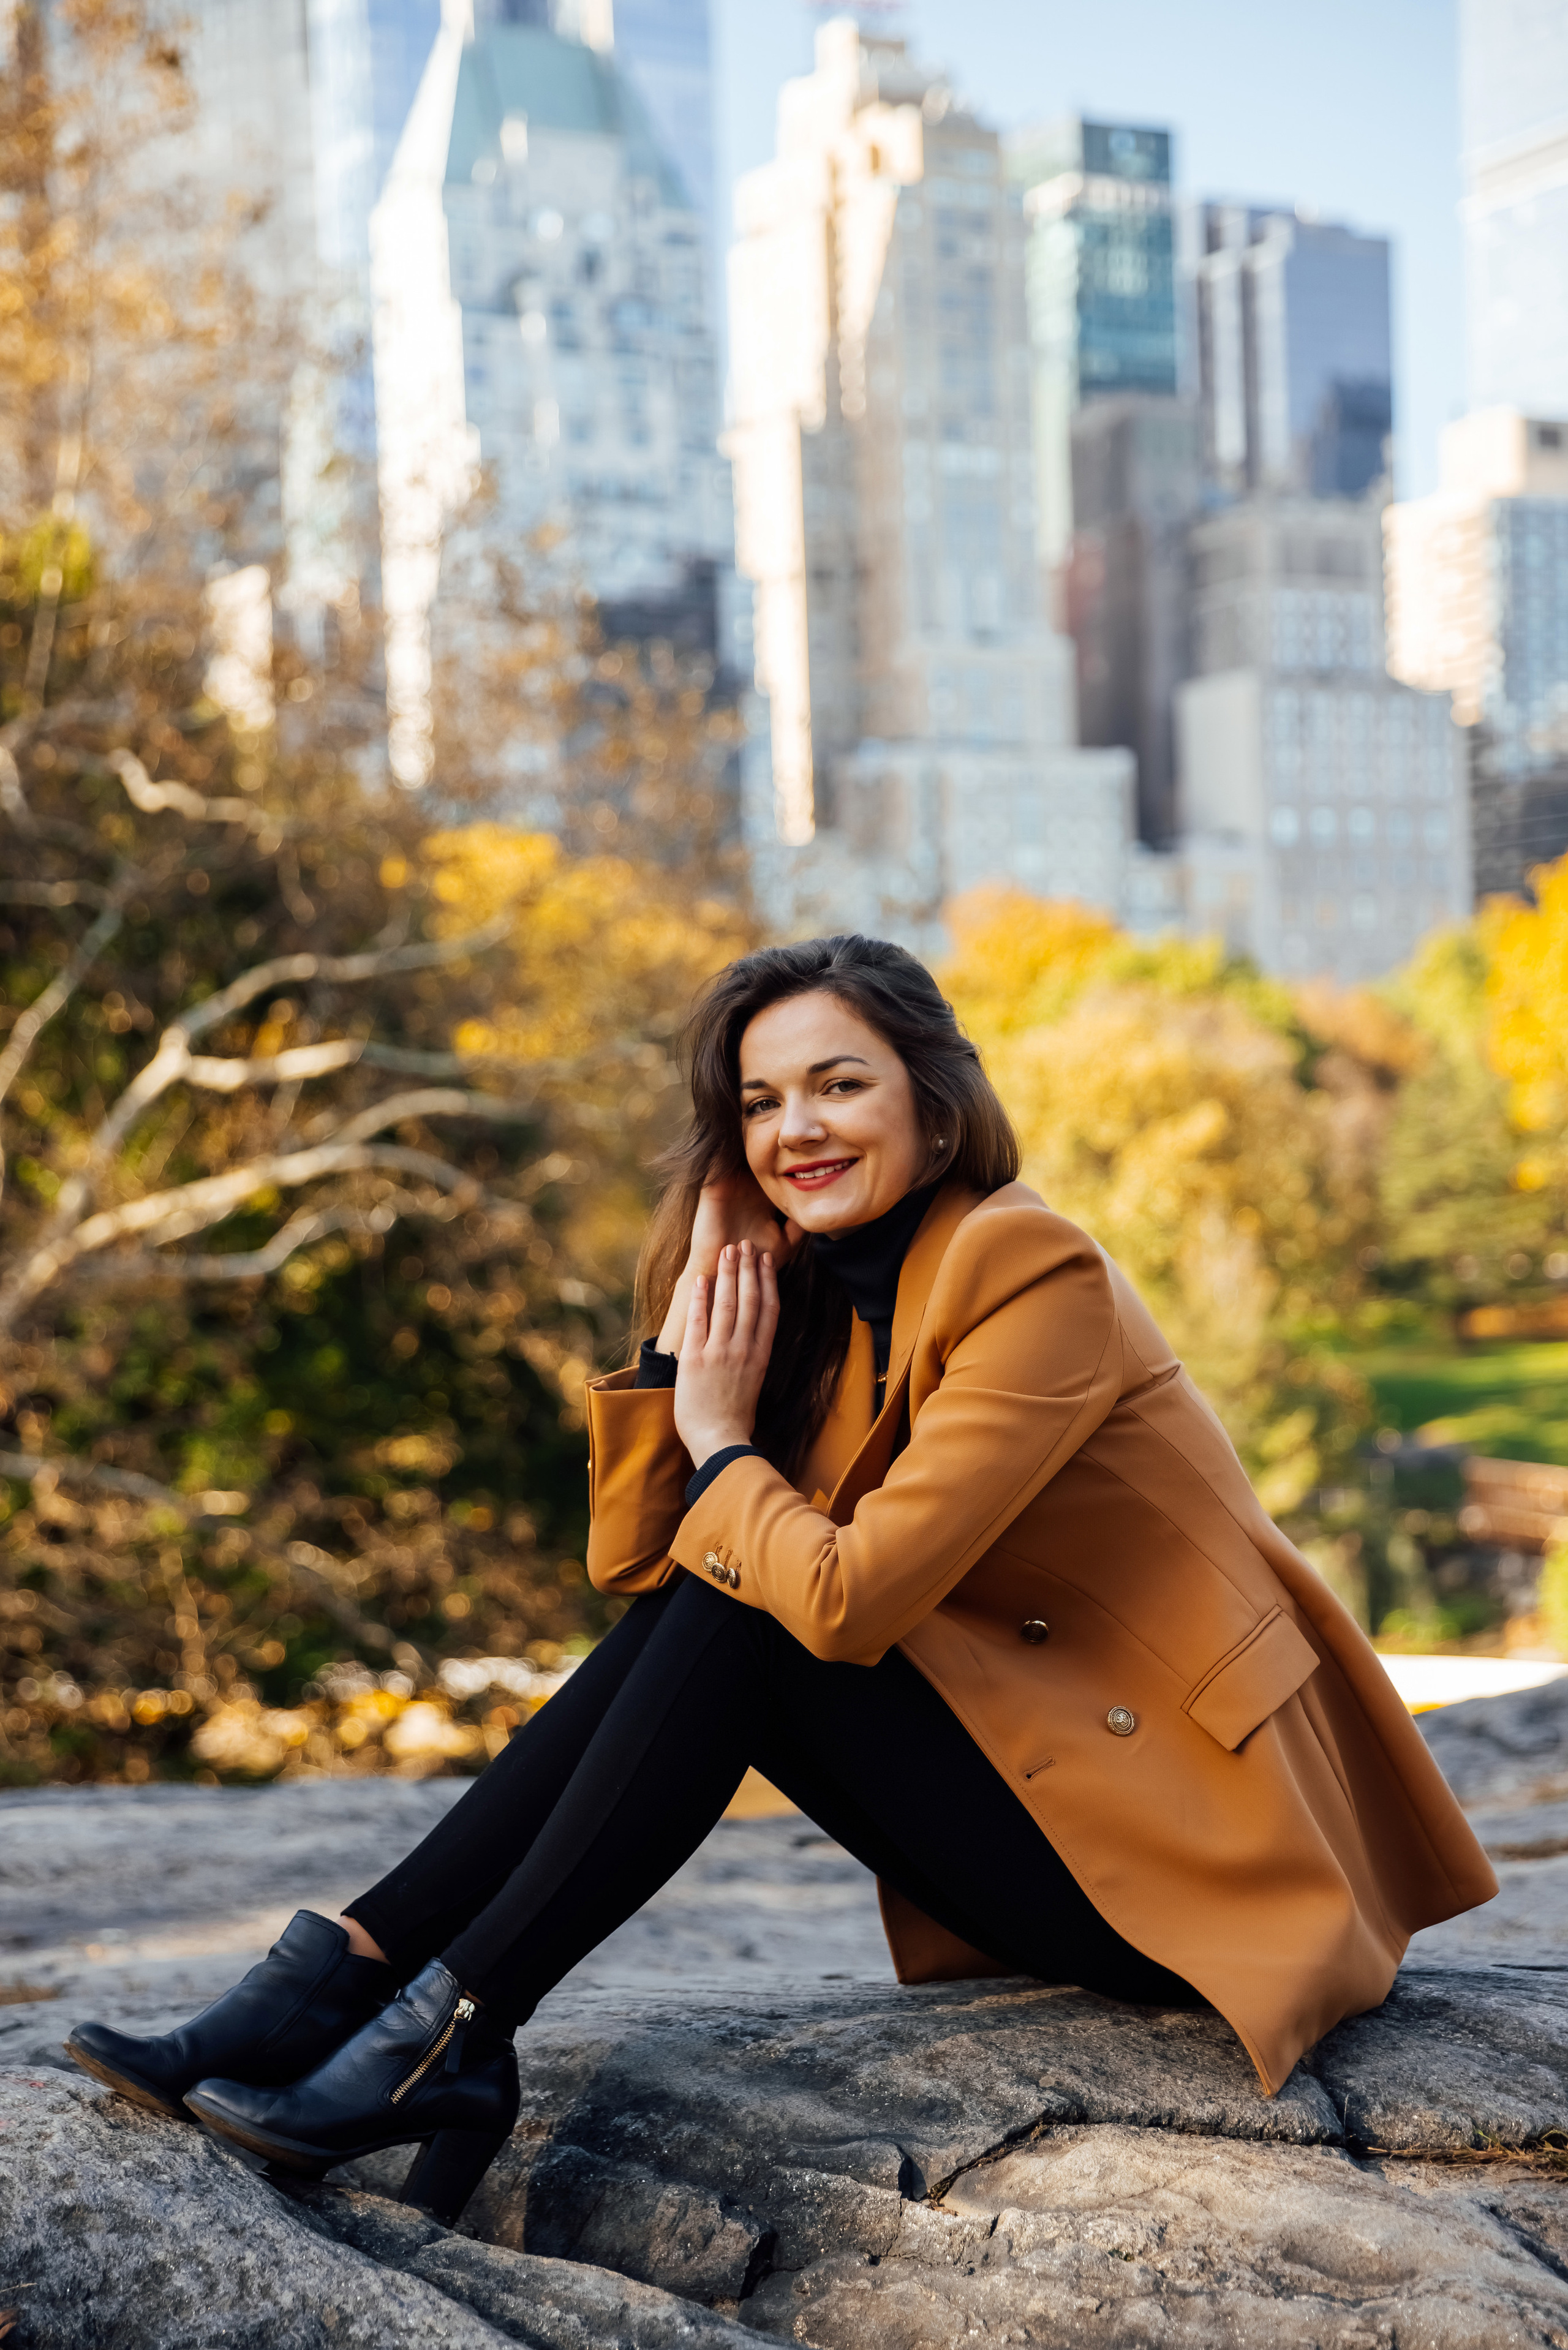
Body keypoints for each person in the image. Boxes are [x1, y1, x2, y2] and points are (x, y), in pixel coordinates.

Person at [67, 933, 1497, 2224]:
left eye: (835, 1085)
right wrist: (696, 1355)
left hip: (1185, 1857)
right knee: (720, 1607)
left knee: (756, 1619)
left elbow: (841, 1601)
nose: (792, 1128)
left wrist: (716, 1435)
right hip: (1044, 1821)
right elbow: (643, 1567)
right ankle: (370, 1992)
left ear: (934, 1103)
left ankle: (426, 2026)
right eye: (758, 1101)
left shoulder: (1026, 1266)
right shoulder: (819, 1301)